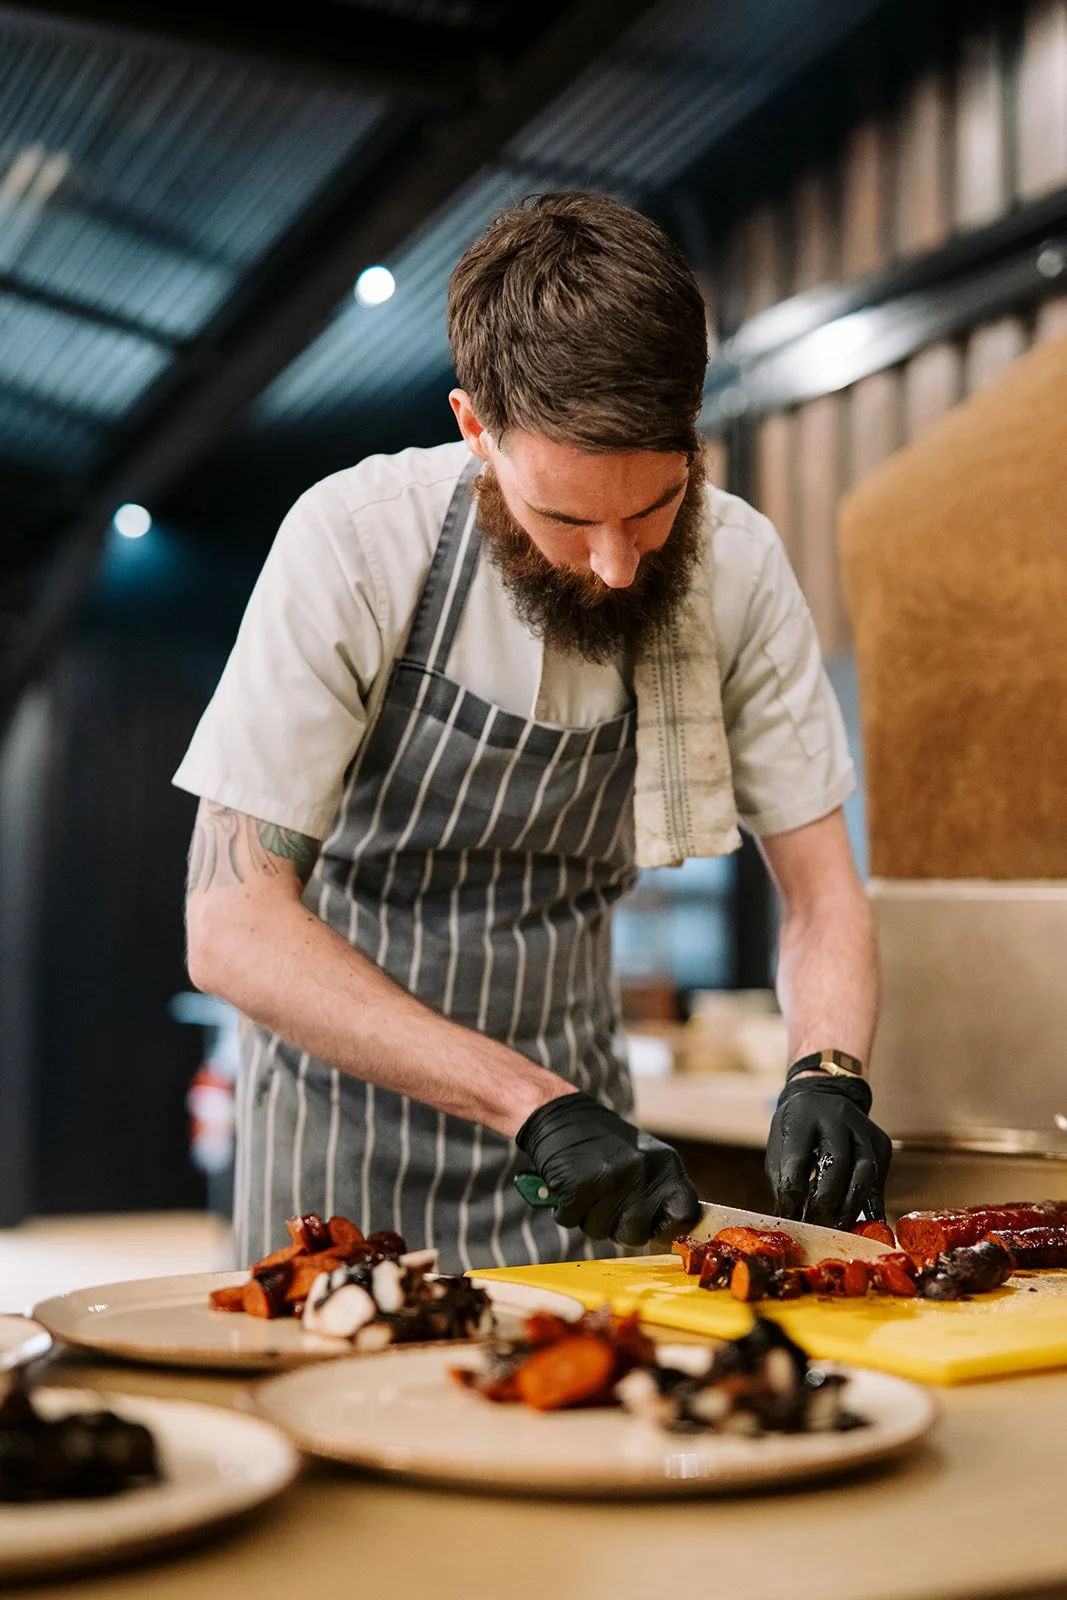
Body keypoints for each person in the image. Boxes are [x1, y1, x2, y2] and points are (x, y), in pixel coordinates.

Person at [175, 191, 890, 1273]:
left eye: (650, 507)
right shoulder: (357, 547)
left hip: (592, 1172)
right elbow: (230, 926)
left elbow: (821, 890)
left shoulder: (734, 566)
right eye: (566, 519)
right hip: (340, 1147)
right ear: (474, 429)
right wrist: (526, 1101)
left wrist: (824, 1066)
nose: (614, 565)